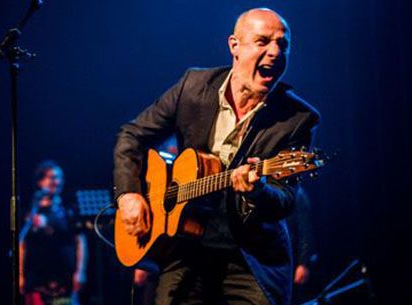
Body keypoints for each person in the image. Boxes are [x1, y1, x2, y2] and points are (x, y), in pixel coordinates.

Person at [113, 8, 320, 305]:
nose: (275, 52)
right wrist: (129, 195)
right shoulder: (193, 87)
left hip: (250, 256)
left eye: (282, 45)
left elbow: (285, 199)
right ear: (234, 46)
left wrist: (258, 191)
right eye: (263, 42)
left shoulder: (298, 118)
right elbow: (131, 136)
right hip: (185, 247)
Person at [19, 160, 87, 305]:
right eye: (51, 177)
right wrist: (20, 275)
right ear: (40, 181)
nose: (56, 181)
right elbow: (21, 244)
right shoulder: (29, 212)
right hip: (36, 279)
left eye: (59, 178)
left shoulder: (69, 210)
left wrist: (80, 272)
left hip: (64, 279)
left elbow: (80, 241)